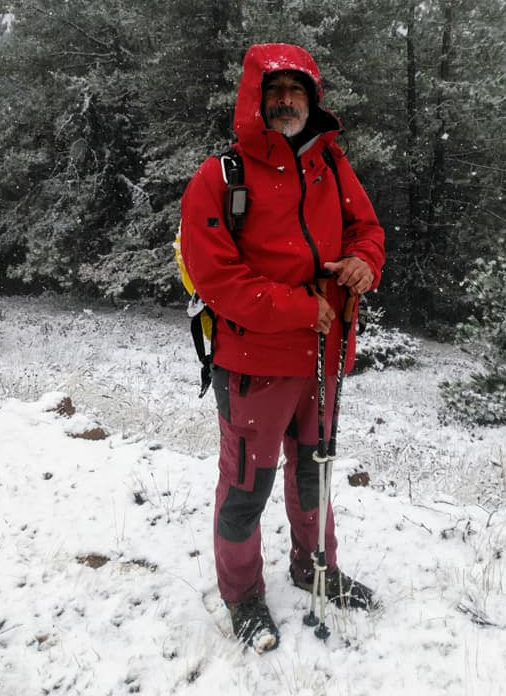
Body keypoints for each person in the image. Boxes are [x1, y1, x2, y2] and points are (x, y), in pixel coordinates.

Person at [180, 42, 385, 653]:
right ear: (255, 99)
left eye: (297, 91)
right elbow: (216, 277)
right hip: (255, 364)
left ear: (312, 99)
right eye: (275, 91)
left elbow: (367, 230)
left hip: (324, 361)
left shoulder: (332, 165)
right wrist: (299, 307)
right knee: (247, 486)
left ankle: (315, 567)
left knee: (314, 474)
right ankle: (242, 594)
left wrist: (364, 263)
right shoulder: (221, 177)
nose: (287, 101)